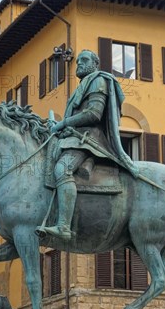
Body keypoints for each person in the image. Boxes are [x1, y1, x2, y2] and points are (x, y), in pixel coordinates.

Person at [37, 49, 138, 240]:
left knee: (62, 169)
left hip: (88, 139)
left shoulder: (98, 81)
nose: (79, 64)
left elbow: (94, 114)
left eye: (84, 60)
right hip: (74, 137)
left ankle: (64, 227)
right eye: (78, 61)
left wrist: (64, 123)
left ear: (95, 63)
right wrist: (59, 127)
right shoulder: (83, 85)